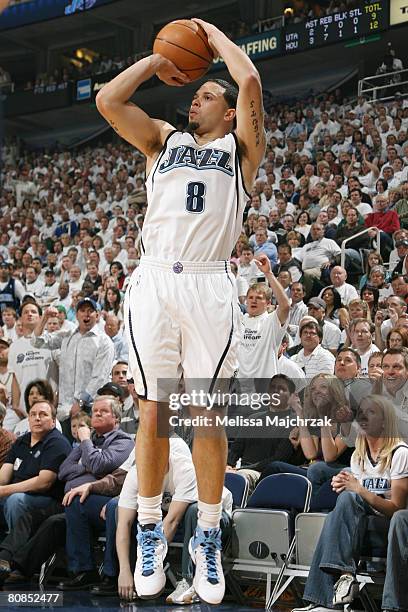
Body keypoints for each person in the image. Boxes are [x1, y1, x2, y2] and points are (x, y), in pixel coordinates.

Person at [96, 17, 265, 604]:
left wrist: (210, 35)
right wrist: (155, 62)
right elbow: (107, 99)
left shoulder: (241, 151)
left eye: (207, 94)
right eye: (195, 92)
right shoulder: (162, 139)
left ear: (226, 111)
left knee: (207, 413)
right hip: (154, 281)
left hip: (209, 284)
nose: (198, 98)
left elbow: (249, 82)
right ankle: (149, 528)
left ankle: (208, 539)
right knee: (152, 409)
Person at [292, 395, 408, 611]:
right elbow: (355, 497)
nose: (363, 416)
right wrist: (346, 484)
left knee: (349, 500)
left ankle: (326, 596)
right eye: (361, 411)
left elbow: (396, 510)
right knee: (345, 499)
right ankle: (344, 577)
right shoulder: (359, 455)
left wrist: (359, 489)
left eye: (371, 412)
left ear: (384, 421)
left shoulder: (400, 453)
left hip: (393, 526)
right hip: (365, 524)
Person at [32, 297, 114, 427]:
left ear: (97, 315)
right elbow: (37, 342)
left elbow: (100, 377)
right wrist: (45, 317)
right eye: (82, 310)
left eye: (90, 311)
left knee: (88, 446)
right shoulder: (66, 335)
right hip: (64, 409)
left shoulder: (104, 342)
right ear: (76, 315)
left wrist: (80, 402)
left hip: (89, 409)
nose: (86, 314)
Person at [0, 399, 71, 533]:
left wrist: (4, 491)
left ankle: (19, 550)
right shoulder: (21, 441)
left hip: (48, 500)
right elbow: (3, 477)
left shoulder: (56, 443)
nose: (37, 418)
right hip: (16, 494)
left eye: (43, 414)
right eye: (33, 414)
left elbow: (43, 483)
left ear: (53, 421)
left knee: (16, 501)